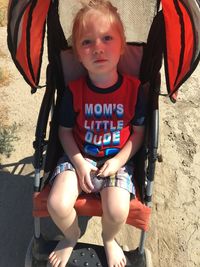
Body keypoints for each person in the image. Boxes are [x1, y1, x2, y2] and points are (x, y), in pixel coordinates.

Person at [47, 1, 146, 266]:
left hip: (116, 161)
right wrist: (79, 163)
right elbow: (65, 132)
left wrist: (120, 160)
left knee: (117, 210)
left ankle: (109, 239)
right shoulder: (74, 91)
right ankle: (71, 235)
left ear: (122, 46)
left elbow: (138, 134)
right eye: (87, 42)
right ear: (77, 54)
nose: (98, 48)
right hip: (79, 156)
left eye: (107, 38)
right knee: (56, 204)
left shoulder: (134, 90)